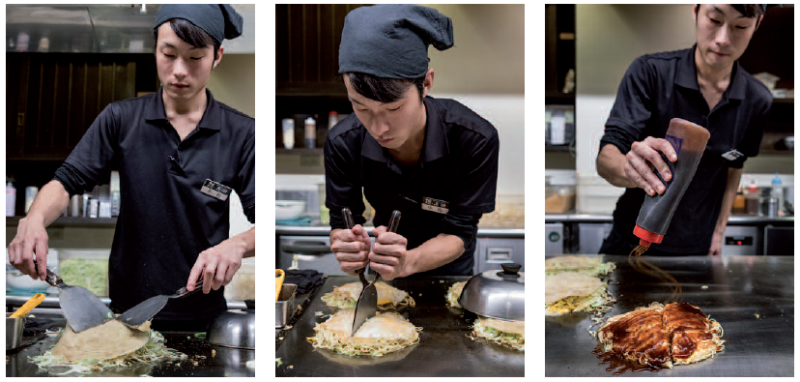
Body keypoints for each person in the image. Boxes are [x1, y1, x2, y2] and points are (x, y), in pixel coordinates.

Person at [7, 4, 255, 331]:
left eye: (195, 57)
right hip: (128, 319)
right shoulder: (120, 119)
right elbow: (65, 182)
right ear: (155, 49)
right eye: (168, 54)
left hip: (204, 318)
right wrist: (34, 218)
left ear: (217, 55)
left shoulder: (242, 133)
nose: (179, 70)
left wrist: (236, 245)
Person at [325, 5, 499, 279]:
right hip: (384, 265)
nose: (378, 128)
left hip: (449, 271)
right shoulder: (343, 141)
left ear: (426, 84)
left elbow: (460, 230)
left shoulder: (474, 138)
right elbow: (342, 220)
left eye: (393, 109)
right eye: (361, 108)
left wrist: (409, 262)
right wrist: (347, 244)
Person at [596, 4, 771, 256]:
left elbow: (735, 166)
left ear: (757, 24)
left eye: (740, 26)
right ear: (695, 12)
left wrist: (720, 229)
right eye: (714, 19)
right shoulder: (650, 73)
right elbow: (606, 158)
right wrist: (630, 168)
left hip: (696, 249)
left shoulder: (757, 99)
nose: (722, 39)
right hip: (630, 242)